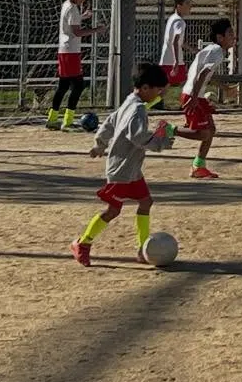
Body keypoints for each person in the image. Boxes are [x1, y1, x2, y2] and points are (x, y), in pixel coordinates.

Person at [70, 62, 175, 267]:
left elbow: (110, 121)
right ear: (145, 88)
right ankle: (82, 243)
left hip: (132, 170)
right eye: (157, 90)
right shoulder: (137, 110)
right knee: (113, 211)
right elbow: (138, 137)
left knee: (146, 202)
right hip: (121, 170)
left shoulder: (131, 101)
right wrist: (162, 139)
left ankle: (142, 248)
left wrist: (100, 144)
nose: (158, 94)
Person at [179, 18, 237, 179]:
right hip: (193, 94)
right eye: (230, 33)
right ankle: (169, 129)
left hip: (195, 94)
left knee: (210, 130)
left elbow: (207, 75)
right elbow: (202, 74)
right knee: (203, 133)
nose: (234, 36)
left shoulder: (215, 50)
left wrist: (225, 88)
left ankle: (198, 166)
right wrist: (195, 98)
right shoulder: (217, 51)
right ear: (220, 38)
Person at [48, 0, 96, 131]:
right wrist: (96, 30)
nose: (84, 0)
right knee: (78, 85)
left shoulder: (66, 5)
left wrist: (83, 17)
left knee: (63, 86)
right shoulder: (73, 9)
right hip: (71, 52)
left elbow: (71, 23)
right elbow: (77, 32)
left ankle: (52, 119)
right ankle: (67, 122)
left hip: (64, 49)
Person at [159, 0, 193, 104]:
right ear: (179, 6)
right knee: (188, 80)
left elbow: (180, 43)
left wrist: (194, 50)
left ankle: (151, 105)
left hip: (169, 58)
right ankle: (188, 101)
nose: (190, 6)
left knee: (166, 86)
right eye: (187, 4)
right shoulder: (179, 22)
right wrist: (176, 62)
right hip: (172, 60)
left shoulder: (173, 18)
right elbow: (174, 41)